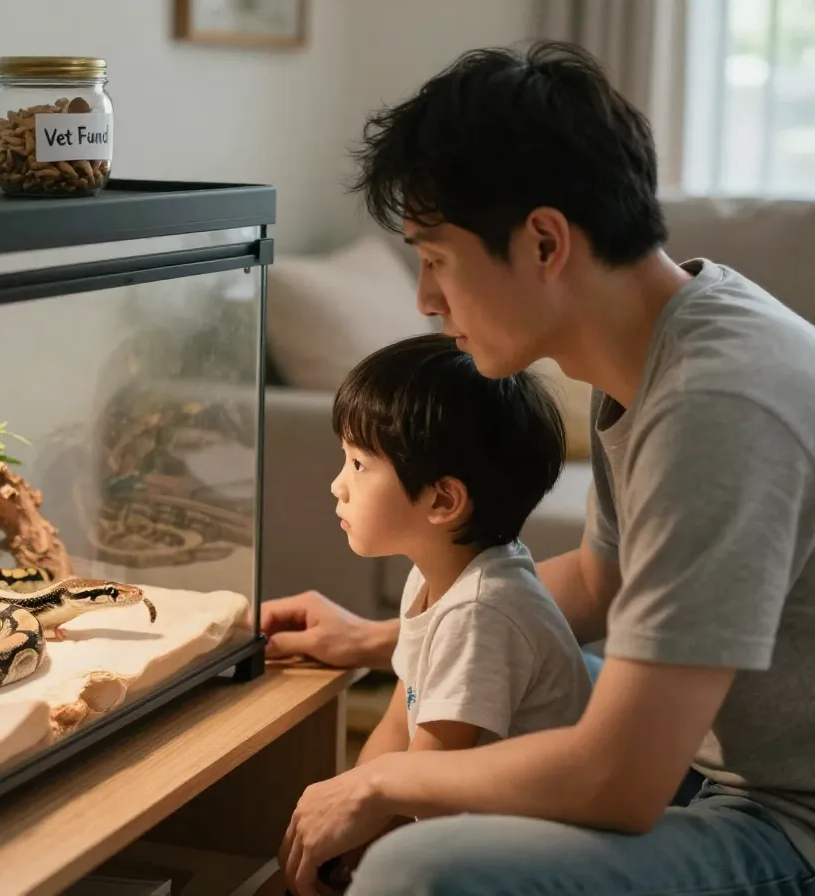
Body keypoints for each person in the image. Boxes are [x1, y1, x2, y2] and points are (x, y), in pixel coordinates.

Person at [268, 40, 815, 896]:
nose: (424, 298)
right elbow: (602, 582)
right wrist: (386, 639)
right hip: (714, 755)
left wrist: (377, 780)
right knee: (462, 667)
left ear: (544, 243)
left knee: (418, 869)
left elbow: (622, 780)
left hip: (788, 816)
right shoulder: (661, 346)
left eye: (437, 258)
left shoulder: (717, 405)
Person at [313, 332, 591, 890]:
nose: (337, 484)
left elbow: (427, 786)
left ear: (443, 500)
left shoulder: (481, 613)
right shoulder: (439, 575)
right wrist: (341, 830)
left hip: (524, 858)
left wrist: (355, 863)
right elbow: (397, 728)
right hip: (473, 829)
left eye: (359, 465)